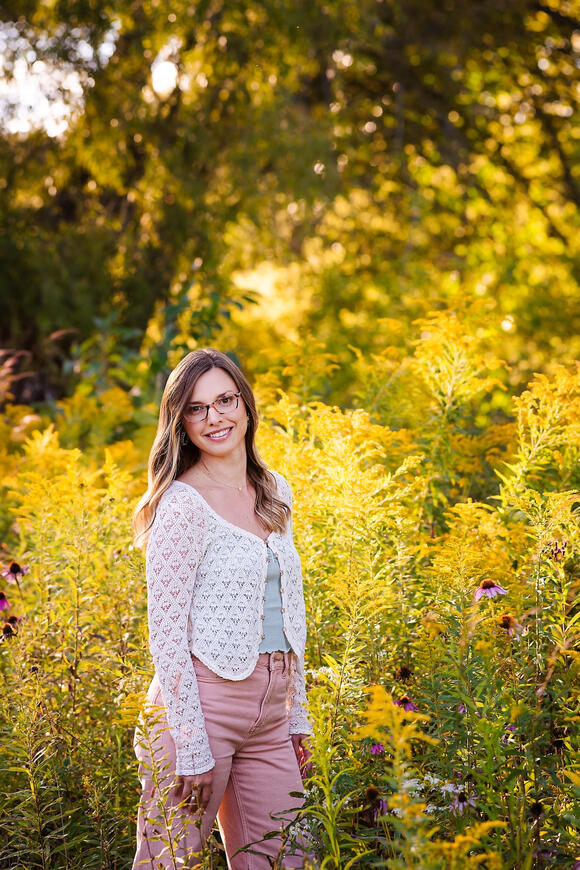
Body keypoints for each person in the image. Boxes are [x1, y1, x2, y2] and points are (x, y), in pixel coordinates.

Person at [132, 348, 312, 870]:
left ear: (246, 406)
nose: (215, 418)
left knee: (288, 860)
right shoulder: (183, 504)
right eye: (196, 408)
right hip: (200, 707)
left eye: (225, 400)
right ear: (181, 424)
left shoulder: (275, 490)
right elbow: (165, 633)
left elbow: (289, 610)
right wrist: (190, 744)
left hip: (271, 710)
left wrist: (295, 714)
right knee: (168, 862)